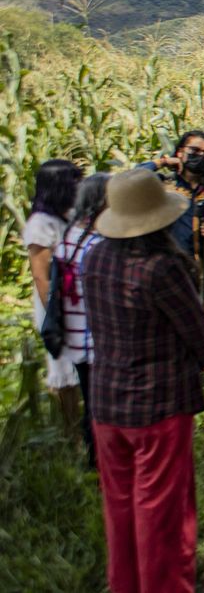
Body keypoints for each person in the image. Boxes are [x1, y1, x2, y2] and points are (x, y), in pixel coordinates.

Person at [84, 169, 204, 593]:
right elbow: (197, 336)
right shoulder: (163, 268)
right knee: (162, 515)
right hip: (158, 406)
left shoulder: (96, 257)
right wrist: (200, 361)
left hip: (107, 403)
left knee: (119, 508)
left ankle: (126, 584)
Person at [139, 130, 204, 377]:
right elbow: (133, 177)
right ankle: (183, 372)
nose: (201, 157)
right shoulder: (165, 185)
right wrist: (162, 162)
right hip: (175, 268)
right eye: (194, 151)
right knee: (178, 321)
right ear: (180, 152)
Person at [52, 172, 110, 467]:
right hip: (97, 335)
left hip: (75, 333)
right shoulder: (99, 242)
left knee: (91, 401)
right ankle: (101, 461)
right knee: (103, 406)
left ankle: (93, 460)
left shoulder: (69, 236)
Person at [24, 159, 83, 430]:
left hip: (77, 302)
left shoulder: (68, 216)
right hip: (57, 305)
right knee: (62, 368)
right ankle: (68, 431)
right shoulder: (40, 224)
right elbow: (41, 276)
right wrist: (56, 316)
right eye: (75, 181)